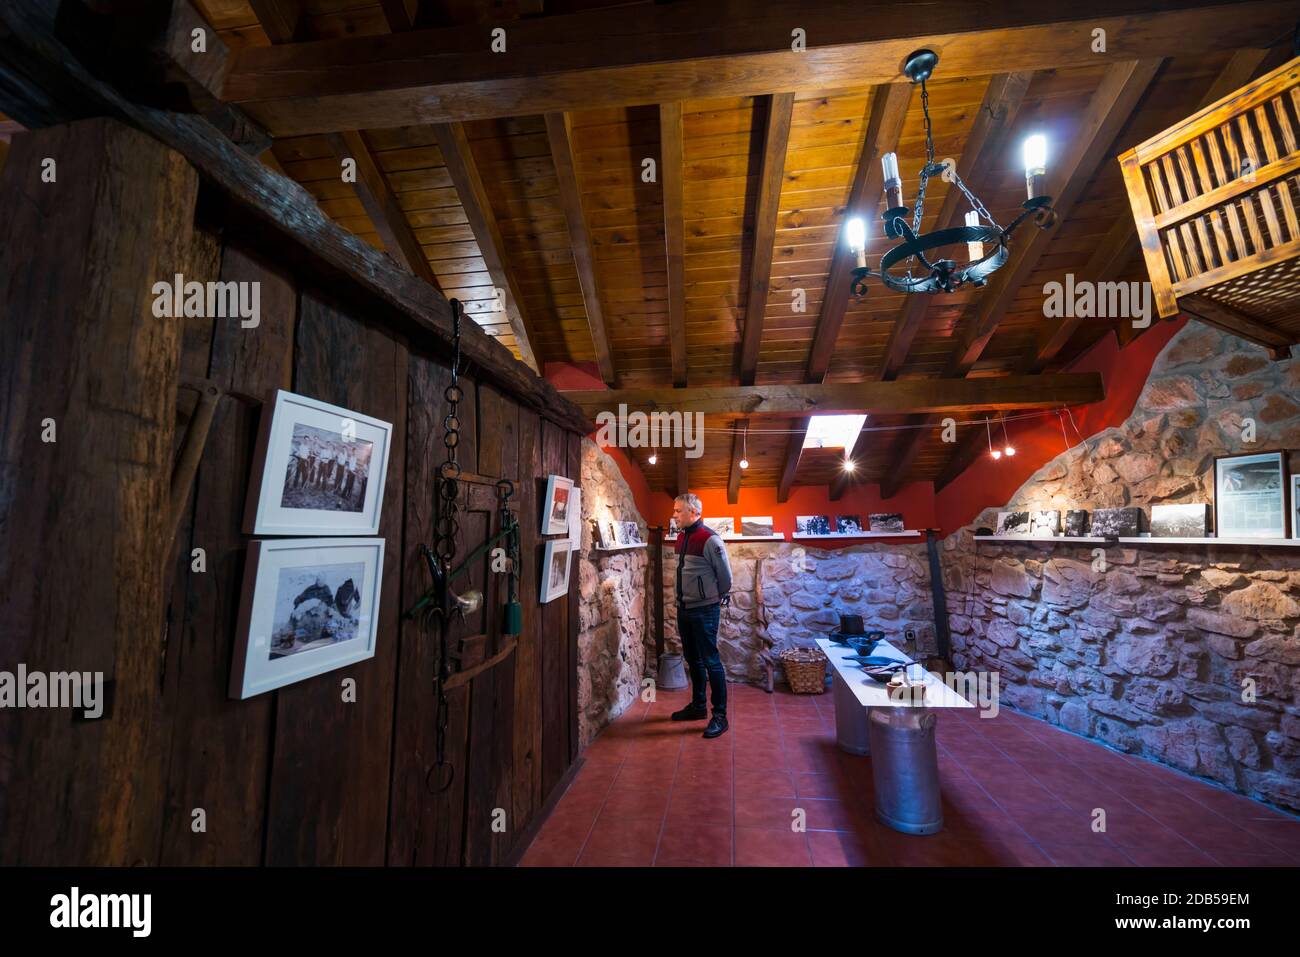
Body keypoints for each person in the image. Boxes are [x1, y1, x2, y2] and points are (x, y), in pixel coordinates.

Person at [670, 492, 732, 738]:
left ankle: (720, 716)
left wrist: (712, 598)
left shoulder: (711, 540)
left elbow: (725, 577)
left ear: (694, 512)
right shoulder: (682, 536)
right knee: (693, 660)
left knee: (711, 661)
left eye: (679, 511)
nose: (674, 515)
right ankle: (698, 707)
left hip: (705, 609)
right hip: (684, 608)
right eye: (674, 510)